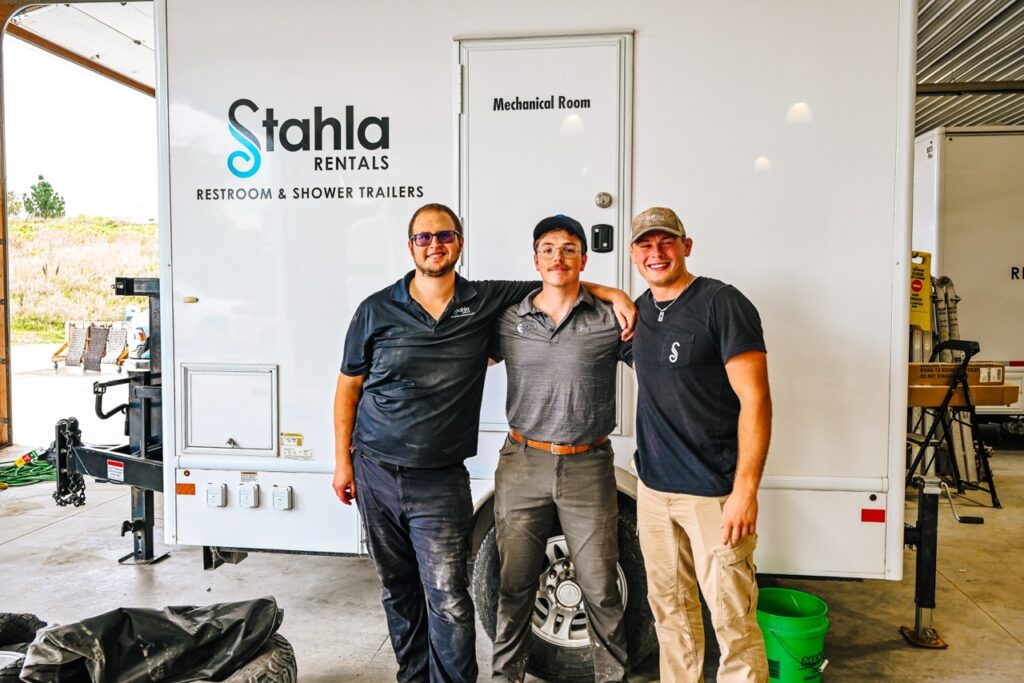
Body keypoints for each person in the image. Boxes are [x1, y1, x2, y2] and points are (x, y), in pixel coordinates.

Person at [332, 203, 635, 683]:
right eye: (424, 237)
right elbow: (349, 386)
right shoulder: (378, 309)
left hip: (444, 477)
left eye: (444, 235)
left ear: (460, 242)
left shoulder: (486, 302)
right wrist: (342, 463)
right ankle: (421, 676)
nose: (435, 245)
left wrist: (612, 292)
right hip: (377, 468)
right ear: (410, 247)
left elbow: (558, 282)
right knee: (401, 588)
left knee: (450, 597)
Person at [627, 207, 771, 683]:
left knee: (733, 621)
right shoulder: (640, 312)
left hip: (713, 496)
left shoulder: (721, 303)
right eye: (645, 244)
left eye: (666, 241)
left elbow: (756, 400)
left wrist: (745, 492)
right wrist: (611, 295)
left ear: (686, 246)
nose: (656, 252)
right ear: (633, 254)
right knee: (670, 616)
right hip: (654, 493)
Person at [489, 215, 630, 683]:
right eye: (548, 249)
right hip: (522, 461)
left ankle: (612, 677)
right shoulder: (509, 319)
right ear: (535, 260)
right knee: (514, 585)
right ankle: (505, 677)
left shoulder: (610, 320)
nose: (558, 257)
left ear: (583, 260)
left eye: (569, 249)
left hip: (587, 465)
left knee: (601, 587)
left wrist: (617, 296)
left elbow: (662, 368)